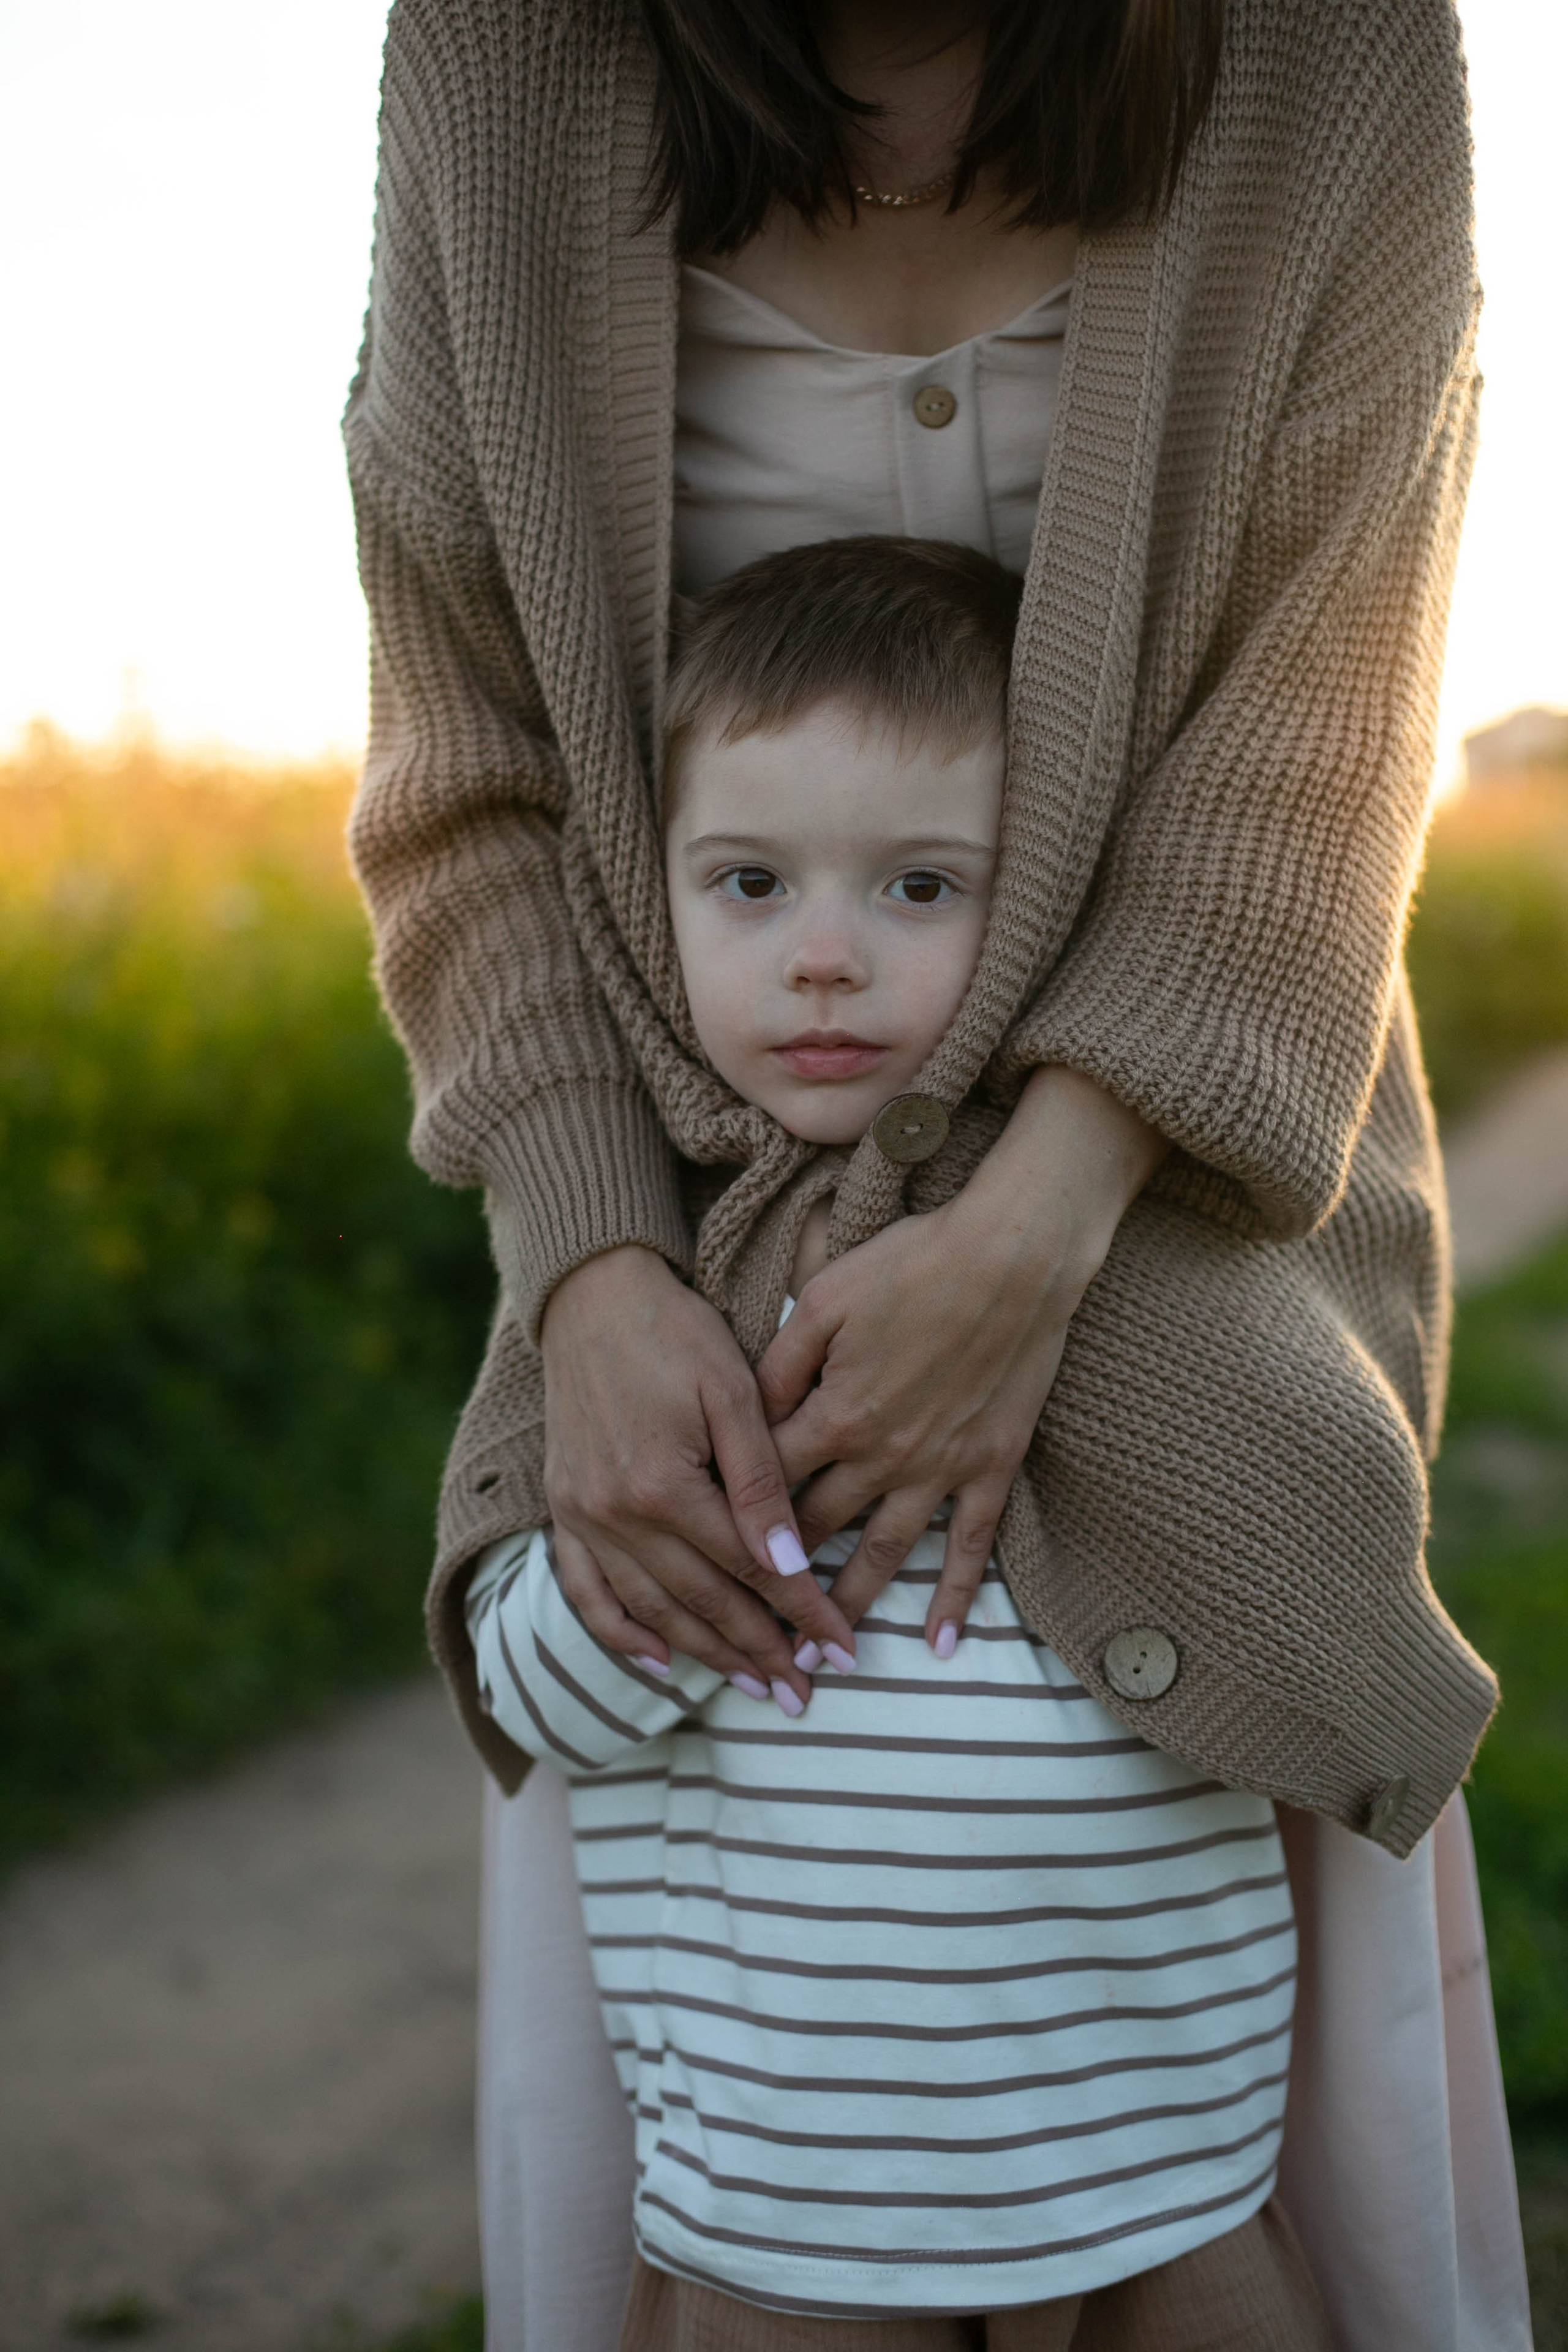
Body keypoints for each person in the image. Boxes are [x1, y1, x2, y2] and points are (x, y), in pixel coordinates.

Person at [343, 1, 1532, 2344]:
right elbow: (465, 742)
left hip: (1190, 1181)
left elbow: (1332, 715)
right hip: (673, 1207)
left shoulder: (1336, 48)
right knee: (744, 2159)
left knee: (1265, 2172)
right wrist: (590, 1263)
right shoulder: (497, 45)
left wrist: (1043, 1222)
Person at [464, 532, 1329, 2345]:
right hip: (795, 2199)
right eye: (753, 884)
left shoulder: (1114, 1264)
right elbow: (528, 1702)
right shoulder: (649, 1292)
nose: (831, 961)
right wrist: (671, 1573)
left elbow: (1305, 1575)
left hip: (1159, 2154)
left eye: (924, 888)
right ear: (653, 904)